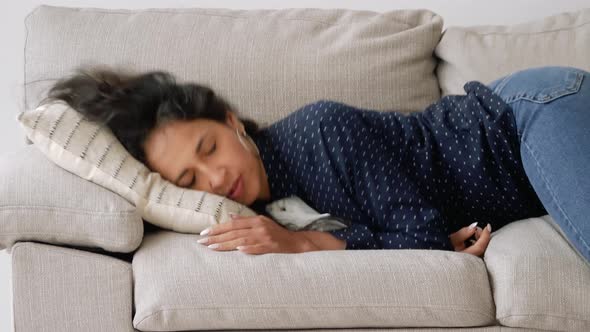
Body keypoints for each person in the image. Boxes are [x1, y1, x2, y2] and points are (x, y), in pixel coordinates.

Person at [44, 66, 590, 264]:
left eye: (209, 148)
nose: (215, 180)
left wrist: (306, 244)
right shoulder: (265, 214)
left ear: (233, 123)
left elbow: (423, 234)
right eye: (188, 181)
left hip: (522, 118)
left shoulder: (319, 131)